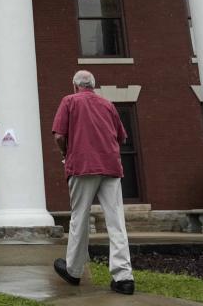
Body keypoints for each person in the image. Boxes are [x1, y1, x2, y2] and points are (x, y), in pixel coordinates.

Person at [51, 70, 135, 295]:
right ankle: (124, 277)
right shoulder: (108, 104)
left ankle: (74, 270)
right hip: (110, 166)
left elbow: (59, 135)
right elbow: (121, 136)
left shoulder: (69, 101)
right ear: (93, 85)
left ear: (74, 85)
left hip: (82, 166)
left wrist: (66, 153)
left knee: (80, 217)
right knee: (116, 221)